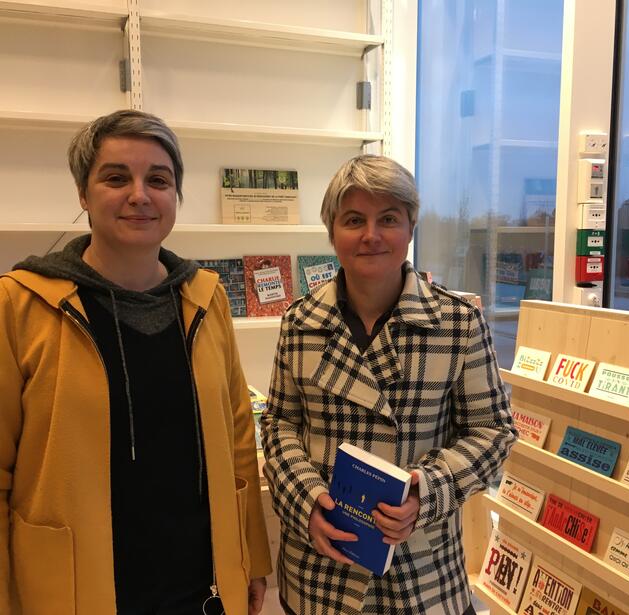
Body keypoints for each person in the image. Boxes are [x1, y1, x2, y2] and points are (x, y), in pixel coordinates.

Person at [0, 110, 271, 615]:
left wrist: (251, 555)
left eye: (159, 180)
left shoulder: (207, 300)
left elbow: (238, 442)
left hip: (200, 589)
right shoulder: (20, 305)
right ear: (83, 193)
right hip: (72, 592)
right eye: (116, 177)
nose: (140, 195)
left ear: (175, 197)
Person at [261, 154, 517, 614]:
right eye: (354, 219)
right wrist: (307, 502)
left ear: (411, 226)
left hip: (422, 570)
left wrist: (425, 490)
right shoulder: (299, 321)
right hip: (321, 570)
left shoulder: (457, 323)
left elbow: (494, 432)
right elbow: (279, 423)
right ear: (332, 231)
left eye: (389, 219)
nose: (371, 235)